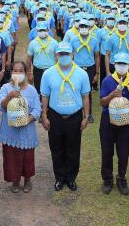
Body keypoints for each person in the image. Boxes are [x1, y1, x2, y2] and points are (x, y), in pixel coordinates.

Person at [40, 42, 90, 192]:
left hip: (74, 117)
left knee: (73, 148)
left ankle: (71, 178)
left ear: (72, 54)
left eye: (67, 54)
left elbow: (85, 96)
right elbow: (45, 96)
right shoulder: (48, 73)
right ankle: (59, 178)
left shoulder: (82, 73)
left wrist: (86, 116)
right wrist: (44, 115)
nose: (64, 57)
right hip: (55, 116)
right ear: (56, 55)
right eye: (61, 54)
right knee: (57, 149)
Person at [100, 52, 129, 195]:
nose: (121, 67)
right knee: (107, 151)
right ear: (114, 65)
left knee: (123, 152)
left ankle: (121, 178)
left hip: (125, 124)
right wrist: (112, 94)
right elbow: (102, 102)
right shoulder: (107, 81)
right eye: (119, 64)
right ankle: (107, 179)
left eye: (124, 64)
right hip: (107, 122)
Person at [0, 61, 41, 193]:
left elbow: (37, 110)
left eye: (20, 71)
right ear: (11, 73)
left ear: (26, 73)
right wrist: (9, 96)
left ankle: (27, 180)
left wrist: (26, 120)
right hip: (10, 132)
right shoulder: (5, 88)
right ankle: (15, 181)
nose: (17, 73)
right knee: (12, 158)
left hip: (26, 131)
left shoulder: (32, 90)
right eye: (15, 71)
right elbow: (1, 106)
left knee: (27, 157)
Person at [69, 18, 100, 123]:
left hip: (90, 68)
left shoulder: (94, 40)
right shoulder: (73, 40)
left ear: (89, 28)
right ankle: (75, 111)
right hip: (77, 68)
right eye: (81, 26)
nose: (83, 28)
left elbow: (96, 56)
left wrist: (97, 72)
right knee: (75, 90)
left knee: (87, 91)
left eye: (85, 26)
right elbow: (71, 55)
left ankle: (89, 113)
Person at [26, 21, 58, 93]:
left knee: (51, 91)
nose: (42, 32)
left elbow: (57, 58)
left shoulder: (54, 43)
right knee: (39, 90)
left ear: (48, 30)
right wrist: (29, 73)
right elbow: (28, 59)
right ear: (37, 30)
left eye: (44, 30)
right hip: (38, 71)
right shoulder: (33, 43)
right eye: (40, 30)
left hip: (51, 71)